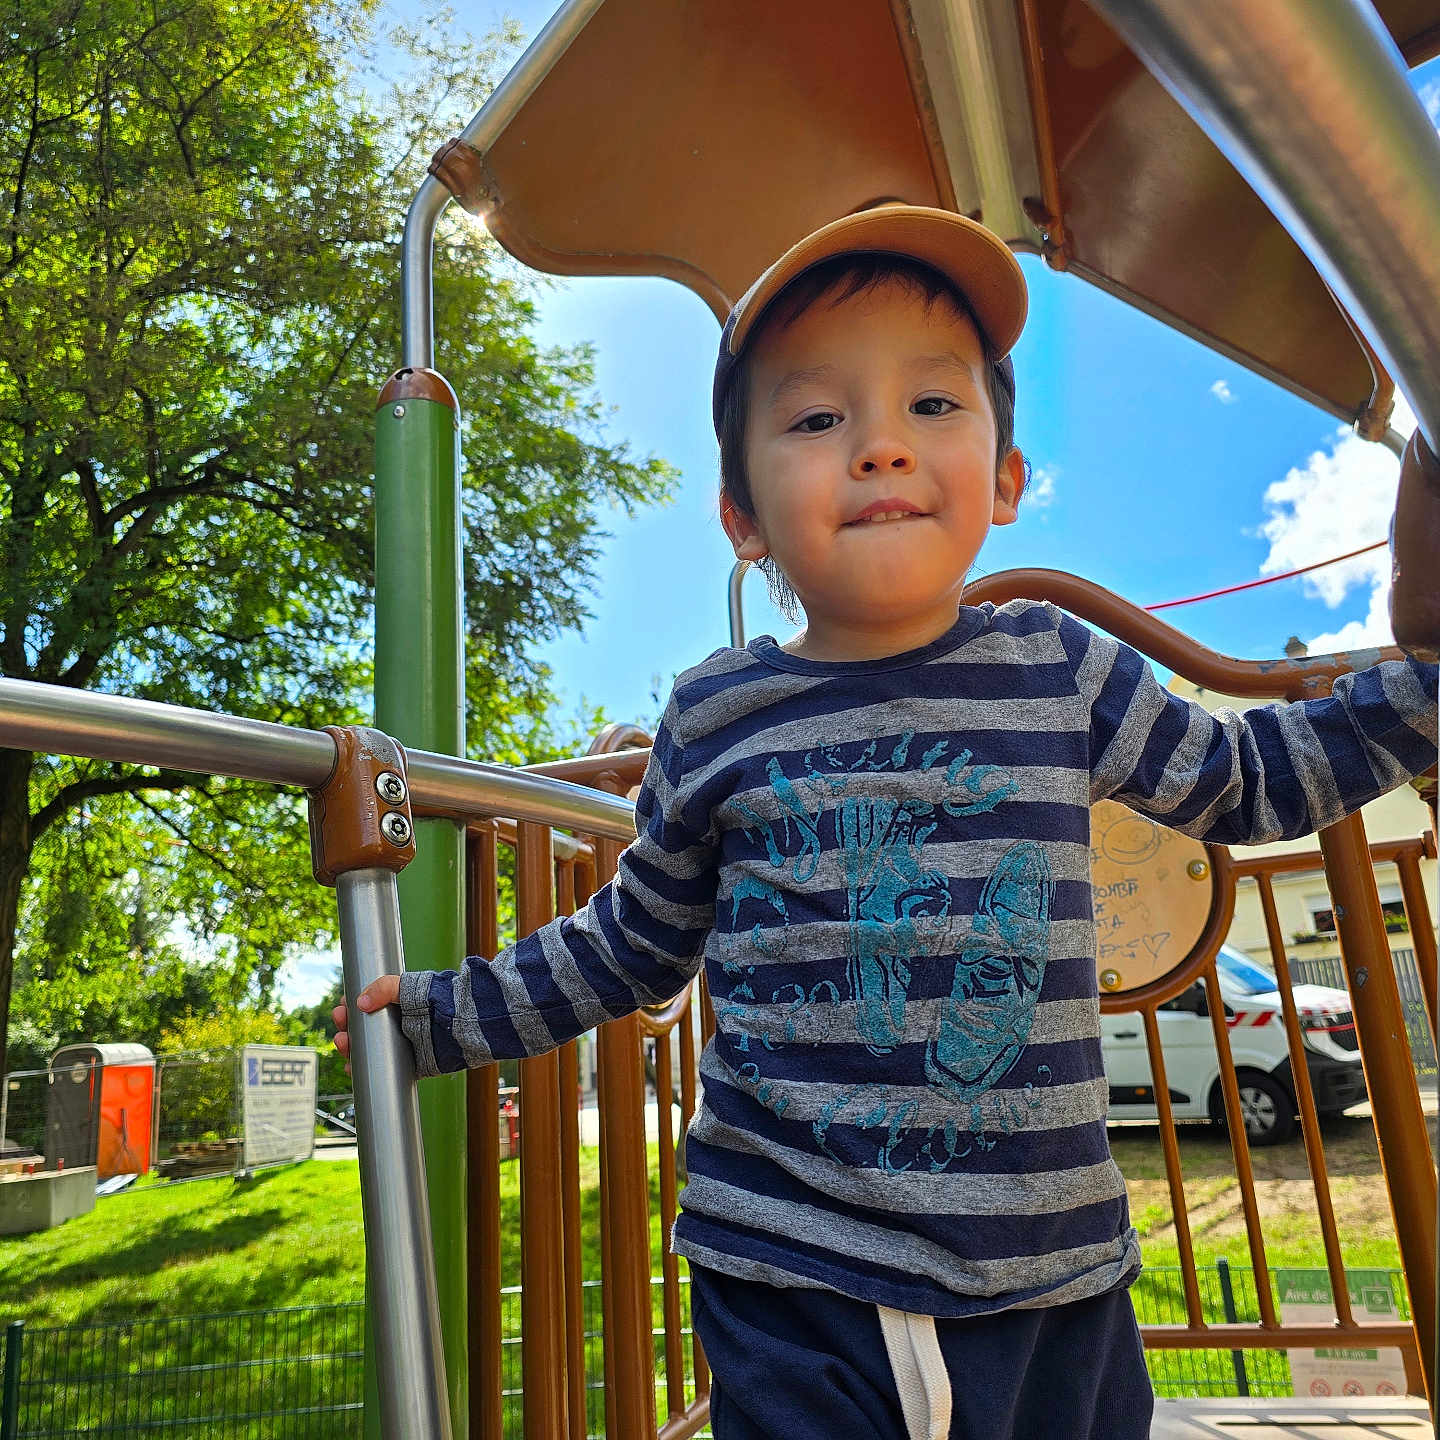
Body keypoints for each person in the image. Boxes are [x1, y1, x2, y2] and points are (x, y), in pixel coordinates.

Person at [334, 204, 1437, 1439]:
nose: (880, 447)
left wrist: (1427, 688)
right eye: (817, 419)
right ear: (742, 518)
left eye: (932, 405)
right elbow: (633, 939)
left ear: (1006, 478)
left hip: (1057, 1277)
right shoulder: (719, 714)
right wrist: (445, 1014)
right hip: (795, 1275)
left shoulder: (1055, 669)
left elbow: (1248, 781)